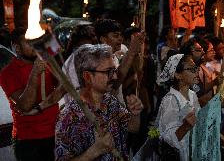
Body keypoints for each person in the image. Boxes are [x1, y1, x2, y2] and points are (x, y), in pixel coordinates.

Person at [55, 44, 143, 161]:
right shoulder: (69, 116)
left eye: (114, 71)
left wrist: (135, 114)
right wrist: (94, 151)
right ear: (87, 76)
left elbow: (133, 127)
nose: (115, 76)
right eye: (108, 72)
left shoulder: (110, 101)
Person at [0, 27, 65, 161]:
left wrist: (54, 58)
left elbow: (64, 87)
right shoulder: (8, 73)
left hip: (55, 133)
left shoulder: (47, 63)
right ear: (17, 48)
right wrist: (35, 73)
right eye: (29, 43)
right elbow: (24, 106)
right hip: (28, 140)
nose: (34, 46)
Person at [156, 54, 200, 161]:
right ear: (178, 75)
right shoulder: (170, 100)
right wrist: (185, 126)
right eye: (191, 69)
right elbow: (168, 138)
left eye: (196, 68)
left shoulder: (192, 94)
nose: (196, 72)